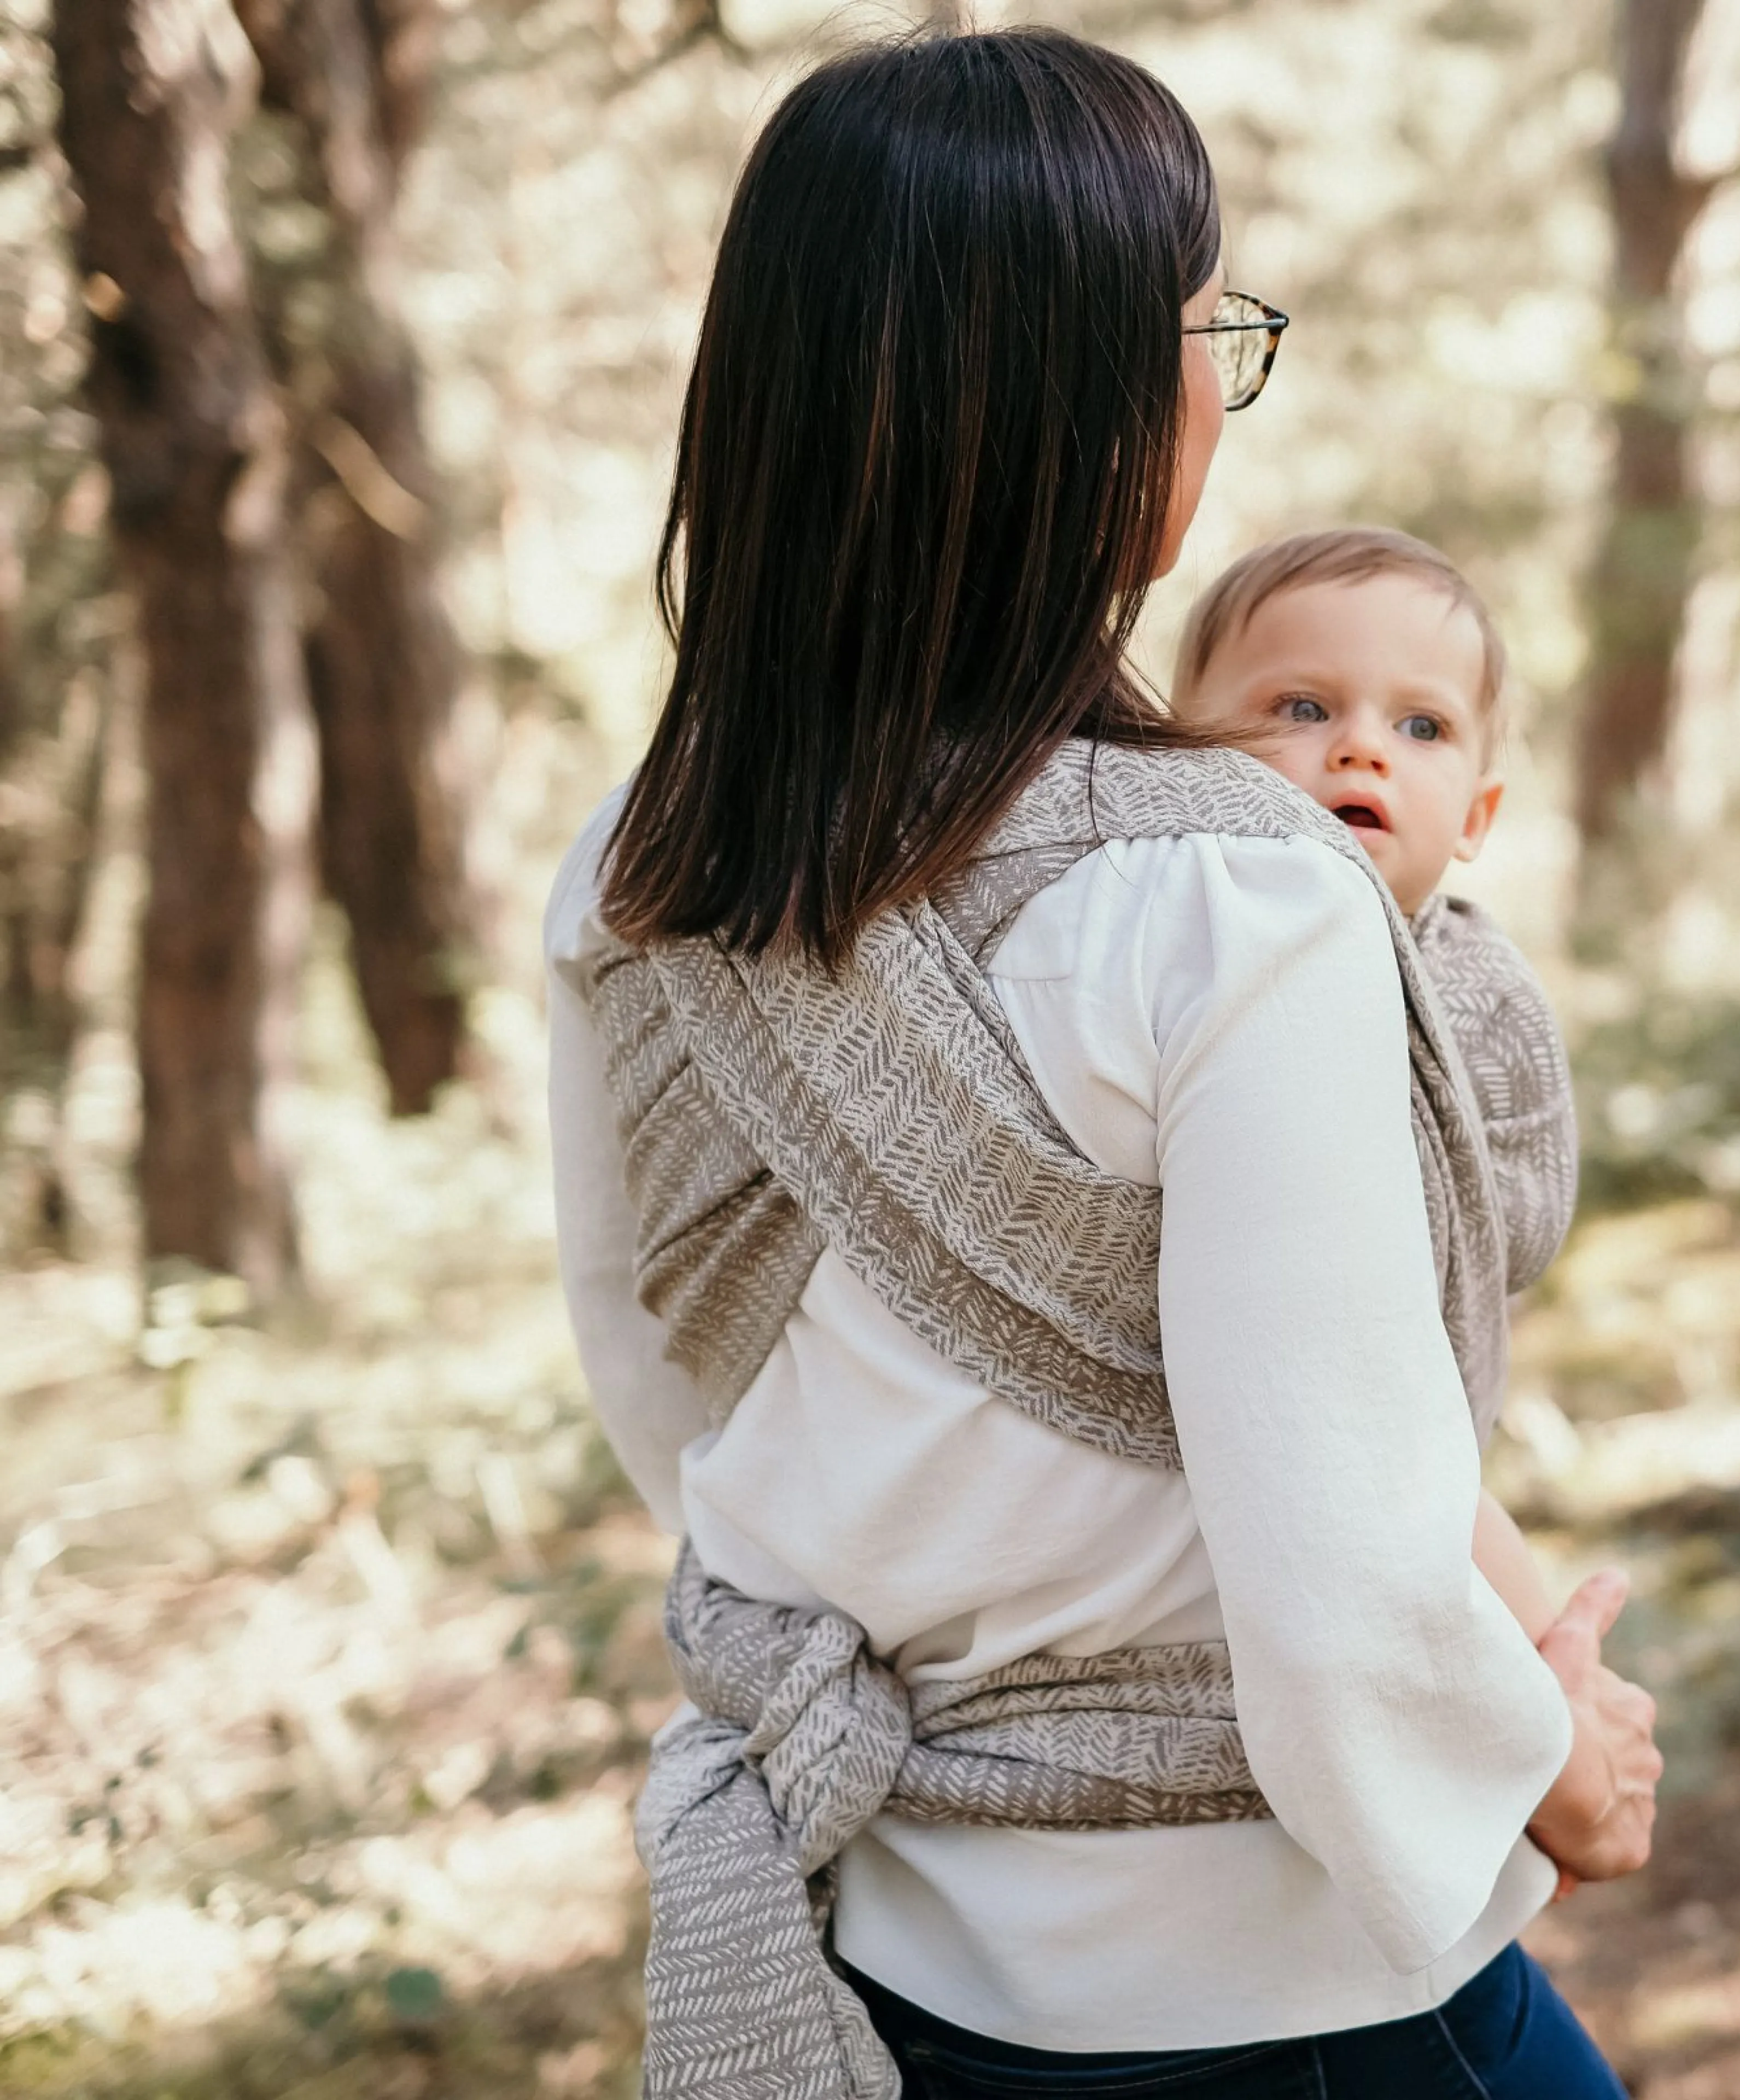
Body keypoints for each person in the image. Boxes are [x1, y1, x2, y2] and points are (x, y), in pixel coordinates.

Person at [544, 26, 1661, 2100]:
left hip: (888, 1949)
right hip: (1272, 1976)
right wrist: (1549, 1772)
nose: (1213, 383)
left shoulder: (635, 880)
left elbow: (668, 1384)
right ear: (1087, 415)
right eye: (1199, 332)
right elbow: (1337, 1546)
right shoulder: (1234, 907)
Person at [1171, 527, 1578, 1648]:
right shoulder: (1169, 936)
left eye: (1421, 726)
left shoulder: (1477, 988)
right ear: (1182, 754)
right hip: (1201, 1416)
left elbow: (1525, 1212)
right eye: (1302, 709)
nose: (1360, 751)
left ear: (1477, 817)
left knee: (1486, 1589)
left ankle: (1567, 1712)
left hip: (1410, 1403)